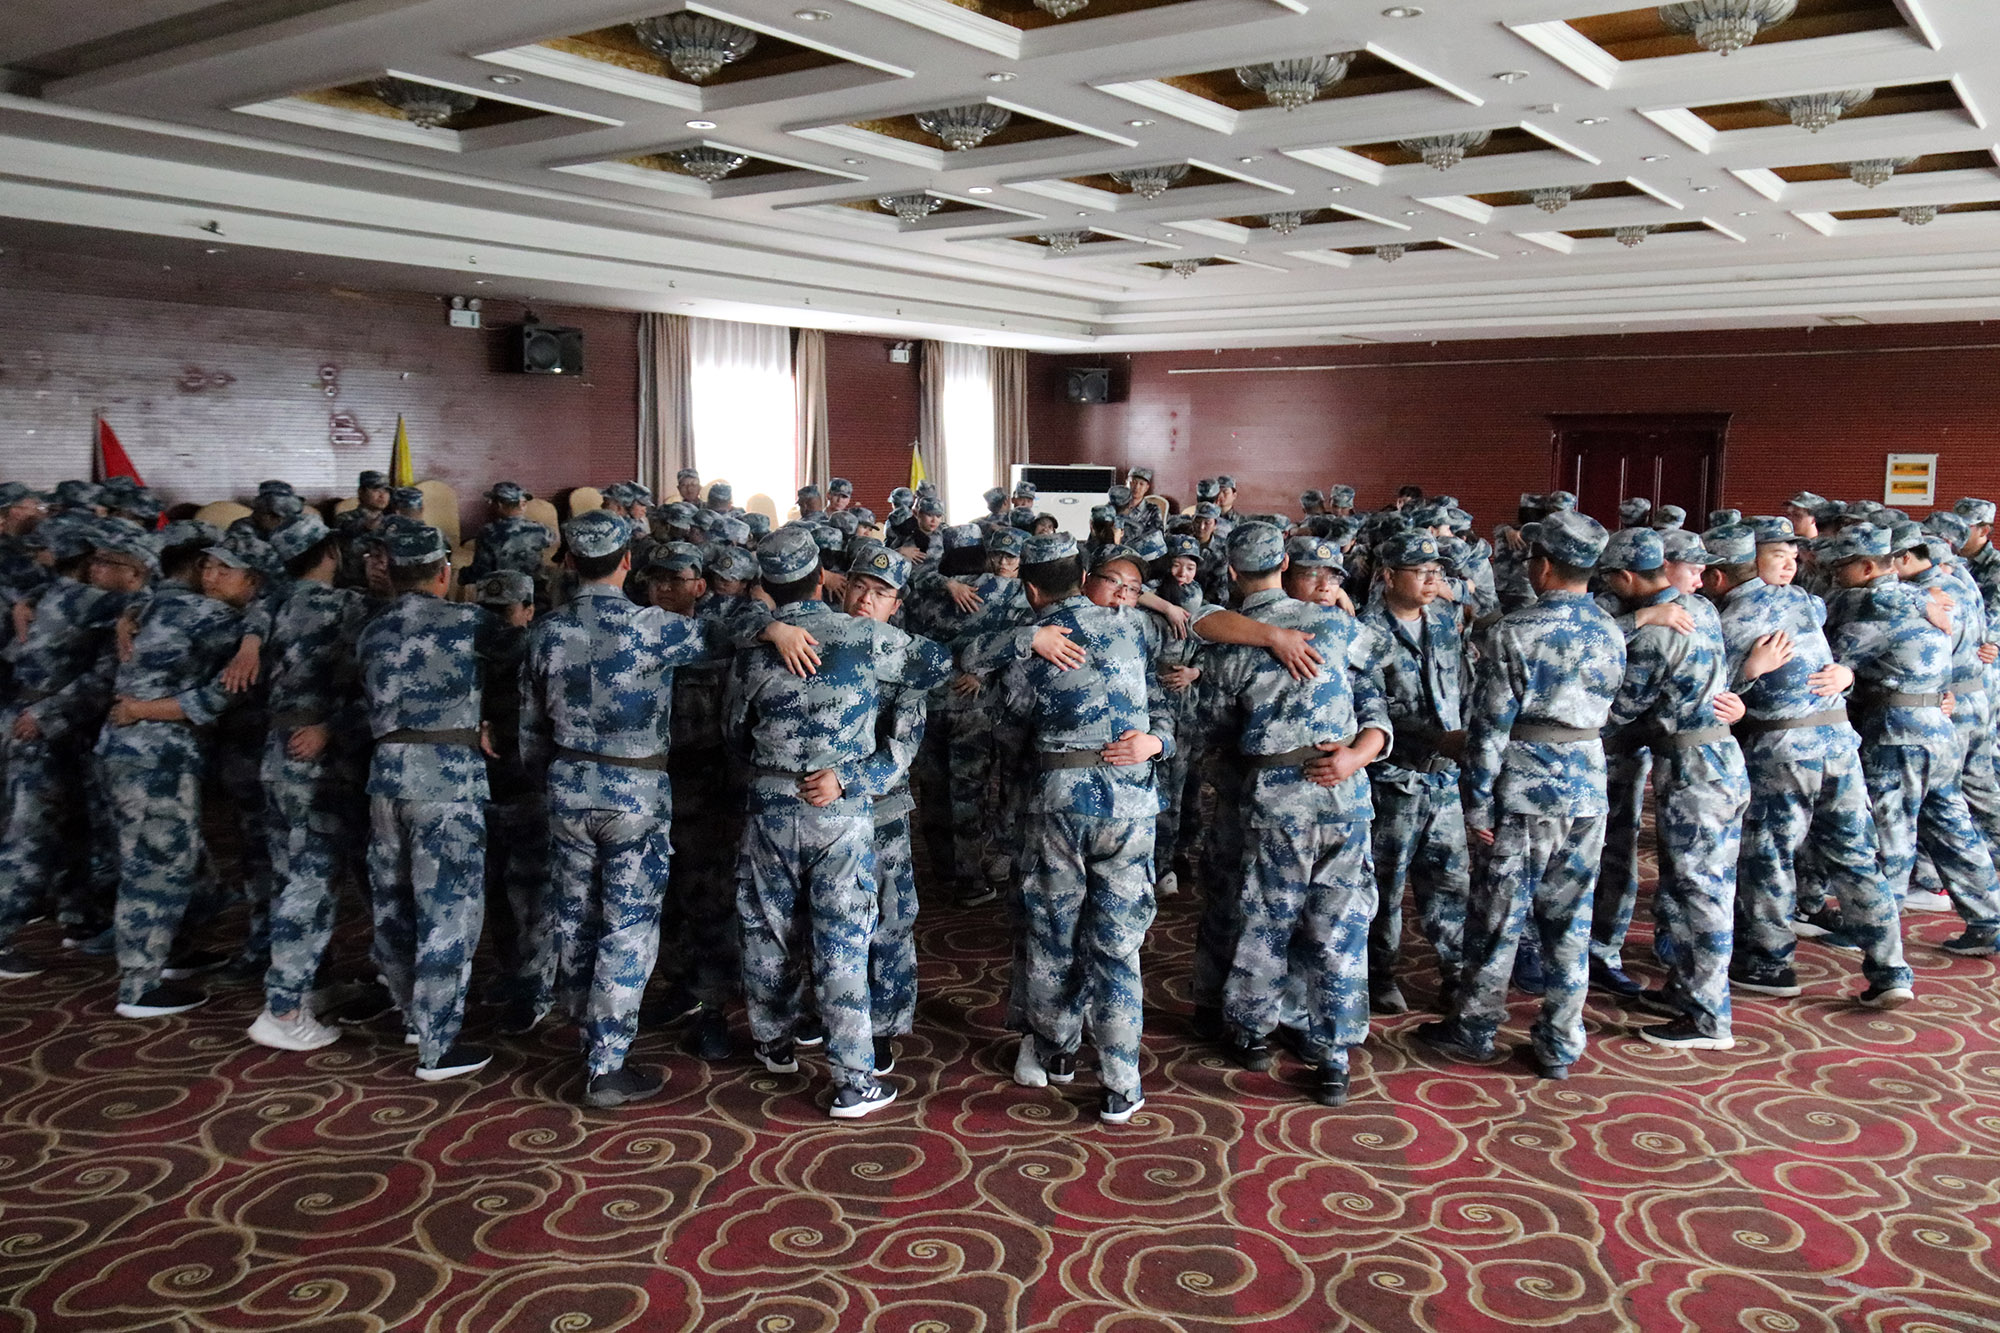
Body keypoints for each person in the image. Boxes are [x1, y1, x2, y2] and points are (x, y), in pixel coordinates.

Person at [726, 527, 946, 1119]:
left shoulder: (886, 650)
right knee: (822, 934)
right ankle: (840, 1070)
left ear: (897, 603)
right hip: (828, 814)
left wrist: (846, 776)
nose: (868, 599)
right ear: (835, 583)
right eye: (861, 586)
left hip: (857, 805)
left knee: (867, 925)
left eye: (883, 592)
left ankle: (859, 1034)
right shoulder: (846, 639)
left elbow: (903, 746)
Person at [520, 510, 720, 1107]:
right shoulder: (655, 627)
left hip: (567, 787)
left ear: (570, 562)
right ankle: (607, 1064)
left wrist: (551, 781)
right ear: (627, 562)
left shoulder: (545, 632)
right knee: (627, 926)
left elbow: (529, 730)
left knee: (576, 917)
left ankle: (586, 1033)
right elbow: (727, 638)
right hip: (634, 793)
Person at [1419, 510, 1625, 1078]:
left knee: (1498, 917)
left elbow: (1489, 728)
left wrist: (1477, 803)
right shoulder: (1610, 627)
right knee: (1571, 919)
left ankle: (1475, 1027)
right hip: (1588, 785)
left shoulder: (1517, 629)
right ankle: (1560, 1041)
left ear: (1544, 565)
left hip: (1527, 790)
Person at [1209, 523, 1389, 1107]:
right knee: (1340, 925)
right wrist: (1358, 753)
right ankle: (1333, 1054)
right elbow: (1378, 677)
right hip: (1344, 790)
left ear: (1232, 572)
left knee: (1268, 918)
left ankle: (1253, 1033)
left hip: (1276, 795)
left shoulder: (1231, 641)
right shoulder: (1336, 625)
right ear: (1285, 564)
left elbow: (1212, 722)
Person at [1702, 522, 1913, 1005]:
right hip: (1838, 745)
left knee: (1770, 858)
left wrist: (1745, 672)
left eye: (1791, 555)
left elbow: (1711, 690)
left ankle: (1770, 962)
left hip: (1783, 752)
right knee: (1856, 858)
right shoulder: (1804, 601)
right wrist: (1848, 674)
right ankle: (1891, 969)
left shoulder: (1732, 618)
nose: (1789, 563)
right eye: (1778, 554)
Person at [1000, 532, 1172, 1123]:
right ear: (1082, 578)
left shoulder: (1037, 640)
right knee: (1119, 946)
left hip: (1062, 803)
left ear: (1030, 590)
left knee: (1054, 933)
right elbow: (1163, 704)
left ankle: (1057, 1052)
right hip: (1132, 805)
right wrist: (1156, 742)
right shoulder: (1134, 628)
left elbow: (1011, 719)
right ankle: (1122, 1081)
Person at [1593, 527, 1750, 1049]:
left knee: (1701, 893)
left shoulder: (1655, 636)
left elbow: (1618, 711)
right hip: (1720, 760)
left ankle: (1707, 1018)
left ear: (1626, 577)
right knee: (1698, 889)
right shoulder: (1700, 608)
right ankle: (1686, 992)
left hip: (1693, 770)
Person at [102, 535, 264, 1018]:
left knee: (179, 860)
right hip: (157, 754)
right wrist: (140, 709)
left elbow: (143, 602)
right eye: (208, 567)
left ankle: (172, 952)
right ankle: (139, 986)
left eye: (224, 570)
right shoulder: (216, 619)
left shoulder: (165, 605)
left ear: (253, 580)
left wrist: (128, 615)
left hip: (131, 750)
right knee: (157, 866)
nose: (210, 577)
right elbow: (217, 697)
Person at [356, 521, 494, 1080]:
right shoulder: (471, 623)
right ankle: (438, 1043)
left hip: (385, 777)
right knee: (447, 909)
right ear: (443, 572)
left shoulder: (371, 630)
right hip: (446, 781)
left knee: (393, 905)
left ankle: (413, 1015)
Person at [1826, 522, 2000, 956]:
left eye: (1841, 567)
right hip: (1938, 725)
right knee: (1952, 826)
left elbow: (1831, 662)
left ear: (1868, 568)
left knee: (1891, 830)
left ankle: (1875, 928)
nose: (1835, 576)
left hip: (1898, 731)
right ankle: (1989, 919)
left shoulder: (1872, 605)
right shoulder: (1929, 598)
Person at [249, 513, 372, 1051]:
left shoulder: (269, 605)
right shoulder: (346, 606)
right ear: (330, 554)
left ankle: (311, 984)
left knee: (289, 875)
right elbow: (370, 682)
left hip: (276, 752)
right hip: (318, 758)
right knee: (312, 883)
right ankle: (283, 1008)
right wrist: (333, 727)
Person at [1358, 531, 1470, 1015]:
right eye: (1421, 571)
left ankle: (1456, 972)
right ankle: (1380, 973)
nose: (1431, 580)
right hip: (1394, 778)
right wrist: (1436, 739)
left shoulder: (1443, 621)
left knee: (1450, 881)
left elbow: (1461, 688)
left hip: (1443, 779)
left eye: (1437, 572)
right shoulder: (1365, 632)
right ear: (1388, 576)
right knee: (1385, 884)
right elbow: (1367, 709)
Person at [464, 482, 553, 585]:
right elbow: (553, 541)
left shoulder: (487, 532)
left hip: (501, 590)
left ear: (499, 504)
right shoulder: (540, 529)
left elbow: (481, 570)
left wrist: (462, 575)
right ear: (522, 505)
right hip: (535, 588)